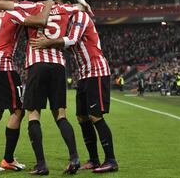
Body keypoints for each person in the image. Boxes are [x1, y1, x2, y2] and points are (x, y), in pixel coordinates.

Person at [0, 0, 82, 175]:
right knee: (61, 115)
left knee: (34, 114)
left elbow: (1, 4)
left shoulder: (30, 7)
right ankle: (74, 157)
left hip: (37, 64)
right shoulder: (64, 9)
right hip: (59, 66)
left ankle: (41, 164)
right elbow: (82, 8)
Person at [0, 0, 54, 173]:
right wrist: (46, 8)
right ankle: (8, 159)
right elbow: (37, 22)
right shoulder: (14, 12)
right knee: (18, 110)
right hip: (2, 65)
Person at [30, 10, 119, 173]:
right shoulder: (66, 24)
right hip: (84, 74)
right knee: (82, 117)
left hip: (96, 70)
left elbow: (72, 40)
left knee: (95, 115)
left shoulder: (80, 16)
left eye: (59, 2)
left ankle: (111, 160)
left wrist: (47, 43)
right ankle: (94, 159)